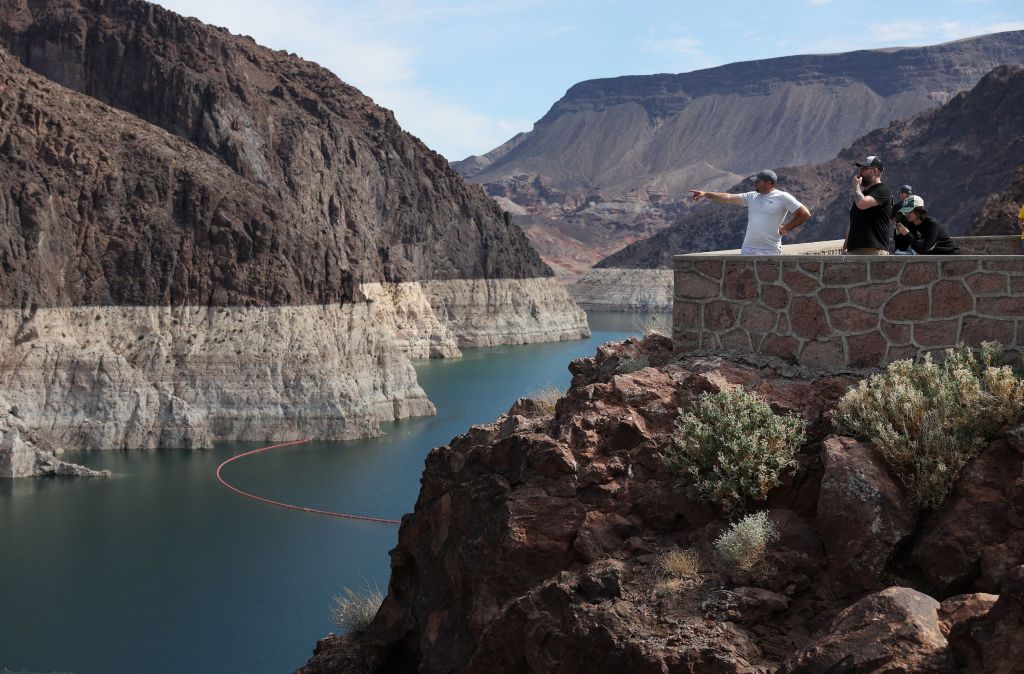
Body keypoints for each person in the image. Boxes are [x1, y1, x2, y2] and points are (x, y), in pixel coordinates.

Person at [689, 169, 811, 255]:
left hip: (769, 249)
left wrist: (786, 228)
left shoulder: (783, 197)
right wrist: (706, 194)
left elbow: (804, 214)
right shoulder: (751, 196)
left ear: (769, 183)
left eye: (758, 181)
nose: (755, 183)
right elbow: (728, 197)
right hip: (748, 249)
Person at [844, 155, 893, 255]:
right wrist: (846, 246)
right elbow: (853, 221)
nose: (860, 172)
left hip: (873, 250)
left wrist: (856, 187)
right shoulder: (863, 195)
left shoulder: (883, 190)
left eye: (864, 169)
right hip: (854, 250)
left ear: (874, 171)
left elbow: (862, 204)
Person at [894, 202, 960, 255]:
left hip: (950, 255)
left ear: (919, 211)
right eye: (905, 212)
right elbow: (902, 247)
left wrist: (907, 234)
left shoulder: (932, 224)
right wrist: (898, 234)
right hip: (933, 257)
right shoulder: (911, 224)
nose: (907, 214)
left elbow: (923, 249)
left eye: (910, 212)